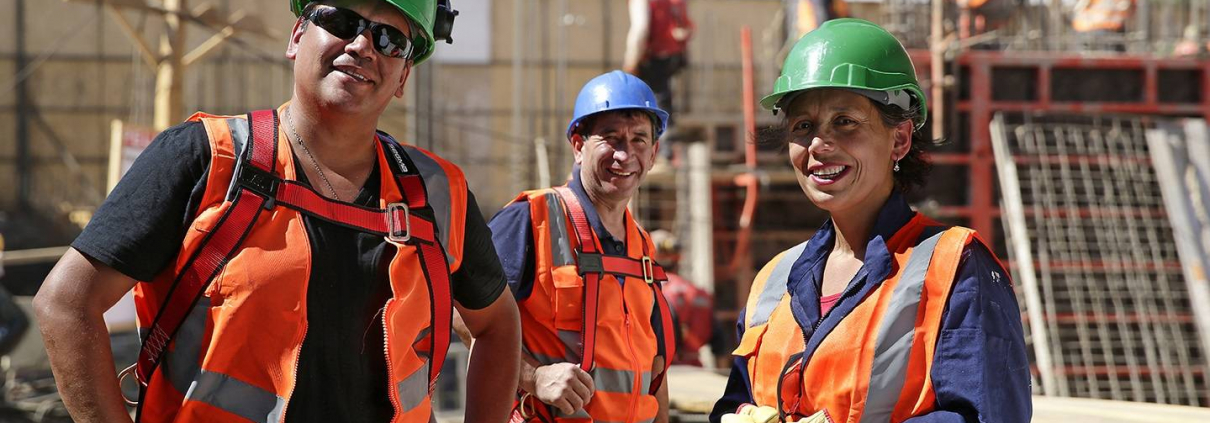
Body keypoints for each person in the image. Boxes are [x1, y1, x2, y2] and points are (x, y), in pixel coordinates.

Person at [33, 1, 521, 422]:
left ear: (403, 77)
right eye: (342, 20)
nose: (362, 45)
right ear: (297, 36)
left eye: (390, 39)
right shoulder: (206, 159)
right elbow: (65, 304)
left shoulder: (437, 194)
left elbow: (498, 326)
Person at [710, 19, 1031, 423]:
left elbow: (985, 415)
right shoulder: (773, 281)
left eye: (845, 121)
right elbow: (735, 401)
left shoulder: (955, 268)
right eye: (803, 126)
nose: (818, 145)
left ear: (899, 139)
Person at [489, 71, 677, 423]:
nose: (625, 154)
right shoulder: (532, 218)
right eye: (611, 138)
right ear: (578, 146)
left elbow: (653, 365)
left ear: (653, 154)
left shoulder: (641, 245)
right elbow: (466, 315)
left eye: (639, 139)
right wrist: (533, 377)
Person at [623, 0, 693, 135]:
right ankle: (668, 132)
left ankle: (660, 134)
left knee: (649, 97)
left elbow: (640, 29)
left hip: (653, 55)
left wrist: (631, 61)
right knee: (664, 94)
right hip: (673, 53)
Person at [649, 229, 713, 367]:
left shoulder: (653, 291)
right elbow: (720, 344)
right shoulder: (699, 292)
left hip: (663, 368)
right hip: (695, 369)